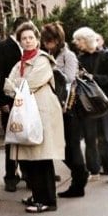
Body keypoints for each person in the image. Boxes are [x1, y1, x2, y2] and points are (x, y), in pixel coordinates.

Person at [3, 22, 65, 213]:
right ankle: (37, 195)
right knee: (30, 158)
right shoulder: (19, 63)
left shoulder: (42, 59)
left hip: (42, 112)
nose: (28, 41)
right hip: (27, 113)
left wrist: (17, 85)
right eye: (24, 38)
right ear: (20, 42)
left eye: (31, 38)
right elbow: (6, 86)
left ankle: (48, 200)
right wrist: (18, 86)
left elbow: (31, 82)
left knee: (42, 158)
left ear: (37, 40)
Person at [41, 22, 88, 198]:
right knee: (62, 147)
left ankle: (78, 182)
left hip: (69, 107)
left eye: (51, 40)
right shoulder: (49, 54)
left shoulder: (68, 56)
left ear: (58, 39)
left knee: (71, 146)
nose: (47, 44)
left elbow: (69, 78)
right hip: (55, 107)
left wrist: (51, 71)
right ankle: (80, 175)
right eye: (45, 41)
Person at [72, 27, 108, 184]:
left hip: (105, 102)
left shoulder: (106, 55)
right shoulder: (79, 59)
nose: (76, 43)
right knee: (90, 138)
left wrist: (94, 78)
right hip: (87, 104)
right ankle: (94, 170)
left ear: (86, 40)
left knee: (107, 137)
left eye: (78, 40)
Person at [0, 16, 29, 192]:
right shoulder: (2, 47)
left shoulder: (28, 48)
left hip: (28, 101)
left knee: (28, 137)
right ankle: (11, 176)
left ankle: (28, 174)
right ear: (17, 29)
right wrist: (1, 101)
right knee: (12, 139)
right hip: (10, 100)